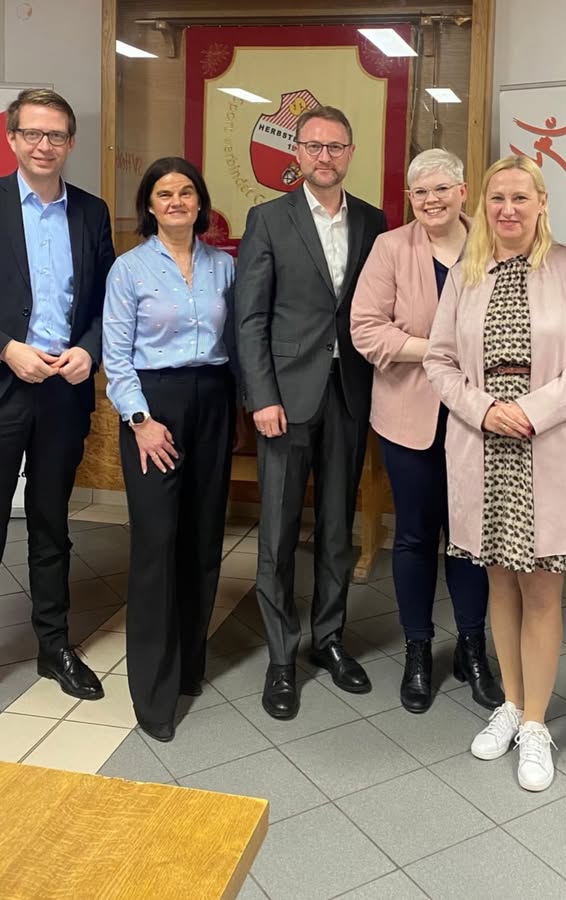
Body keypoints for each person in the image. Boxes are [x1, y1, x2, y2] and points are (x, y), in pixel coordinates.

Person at [424, 155, 566, 791]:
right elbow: (439, 360)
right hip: (484, 445)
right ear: (483, 204)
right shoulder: (465, 273)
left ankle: (536, 724)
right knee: (499, 584)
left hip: (547, 441)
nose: (508, 209)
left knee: (542, 591)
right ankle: (509, 702)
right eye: (497, 198)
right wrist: (484, 410)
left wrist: (531, 411)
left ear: (541, 204)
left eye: (520, 198)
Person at [235, 105, 387, 720]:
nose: (325, 156)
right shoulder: (268, 219)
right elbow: (250, 317)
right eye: (314, 146)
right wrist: (262, 396)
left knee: (336, 528)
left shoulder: (374, 221)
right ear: (296, 154)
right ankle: (281, 656)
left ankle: (329, 638)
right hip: (286, 398)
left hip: (348, 393)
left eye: (336, 146)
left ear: (350, 153)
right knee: (276, 532)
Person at [351, 148, 503, 714]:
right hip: (407, 419)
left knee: (471, 537)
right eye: (420, 192)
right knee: (414, 536)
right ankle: (417, 647)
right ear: (409, 199)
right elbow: (366, 330)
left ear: (464, 191)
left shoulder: (494, 243)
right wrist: (438, 350)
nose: (432, 200)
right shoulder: (391, 248)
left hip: (478, 418)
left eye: (442, 188)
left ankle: (472, 647)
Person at [103, 157, 235, 742]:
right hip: (153, 408)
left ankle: (188, 666)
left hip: (213, 400)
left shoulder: (223, 266)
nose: (176, 201)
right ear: (150, 206)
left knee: (203, 538)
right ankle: (154, 694)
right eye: (164, 193)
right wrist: (141, 421)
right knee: (157, 545)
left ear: (200, 202)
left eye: (186, 192)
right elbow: (116, 357)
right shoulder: (129, 269)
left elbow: (237, 339)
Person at [0, 89, 114, 700]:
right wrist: (5, 347)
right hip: (4, 386)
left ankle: (54, 647)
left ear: (71, 143)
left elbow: (106, 302)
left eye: (56, 136)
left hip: (64, 392)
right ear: (12, 138)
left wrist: (89, 350)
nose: (44, 145)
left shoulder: (91, 213)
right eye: (33, 134)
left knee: (51, 525)